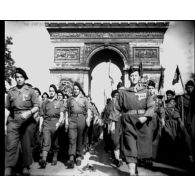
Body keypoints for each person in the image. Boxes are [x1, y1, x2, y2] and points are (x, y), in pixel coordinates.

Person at [109, 66, 155, 176]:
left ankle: (135, 167)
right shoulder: (123, 93)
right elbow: (116, 108)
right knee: (130, 147)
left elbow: (151, 106)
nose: (133, 77)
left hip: (142, 123)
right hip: (128, 122)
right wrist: (113, 124)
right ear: (129, 78)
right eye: (131, 76)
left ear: (139, 77)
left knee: (140, 149)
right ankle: (132, 173)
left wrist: (145, 116)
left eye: (135, 75)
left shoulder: (146, 91)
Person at [5, 67, 40, 176]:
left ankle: (25, 166)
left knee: (26, 144)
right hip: (14, 120)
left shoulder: (31, 91)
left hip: (27, 120)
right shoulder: (11, 92)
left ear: (25, 78)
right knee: (11, 144)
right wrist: (4, 125)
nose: (19, 79)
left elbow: (37, 106)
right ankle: (9, 167)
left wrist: (29, 112)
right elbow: (7, 109)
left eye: (21, 77)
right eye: (17, 77)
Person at [65, 82, 91, 168]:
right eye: (74, 89)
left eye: (77, 89)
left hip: (81, 119)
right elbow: (67, 110)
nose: (75, 91)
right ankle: (71, 158)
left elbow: (89, 110)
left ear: (80, 90)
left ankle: (79, 156)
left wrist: (88, 118)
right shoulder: (70, 99)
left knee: (80, 138)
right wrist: (66, 121)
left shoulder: (84, 99)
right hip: (72, 119)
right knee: (72, 138)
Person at [38, 84, 64, 168]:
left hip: (55, 123)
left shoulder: (59, 102)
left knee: (55, 142)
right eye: (50, 91)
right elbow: (41, 115)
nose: (51, 92)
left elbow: (62, 114)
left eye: (53, 91)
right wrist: (40, 126)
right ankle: (44, 160)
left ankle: (55, 157)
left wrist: (59, 122)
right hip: (46, 123)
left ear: (55, 92)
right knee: (46, 141)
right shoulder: (45, 102)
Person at [109, 90, 123, 167]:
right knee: (115, 141)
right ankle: (117, 158)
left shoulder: (122, 102)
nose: (116, 97)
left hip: (123, 122)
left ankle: (119, 157)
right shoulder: (111, 103)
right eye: (114, 96)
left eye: (118, 96)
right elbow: (110, 114)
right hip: (115, 122)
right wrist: (111, 124)